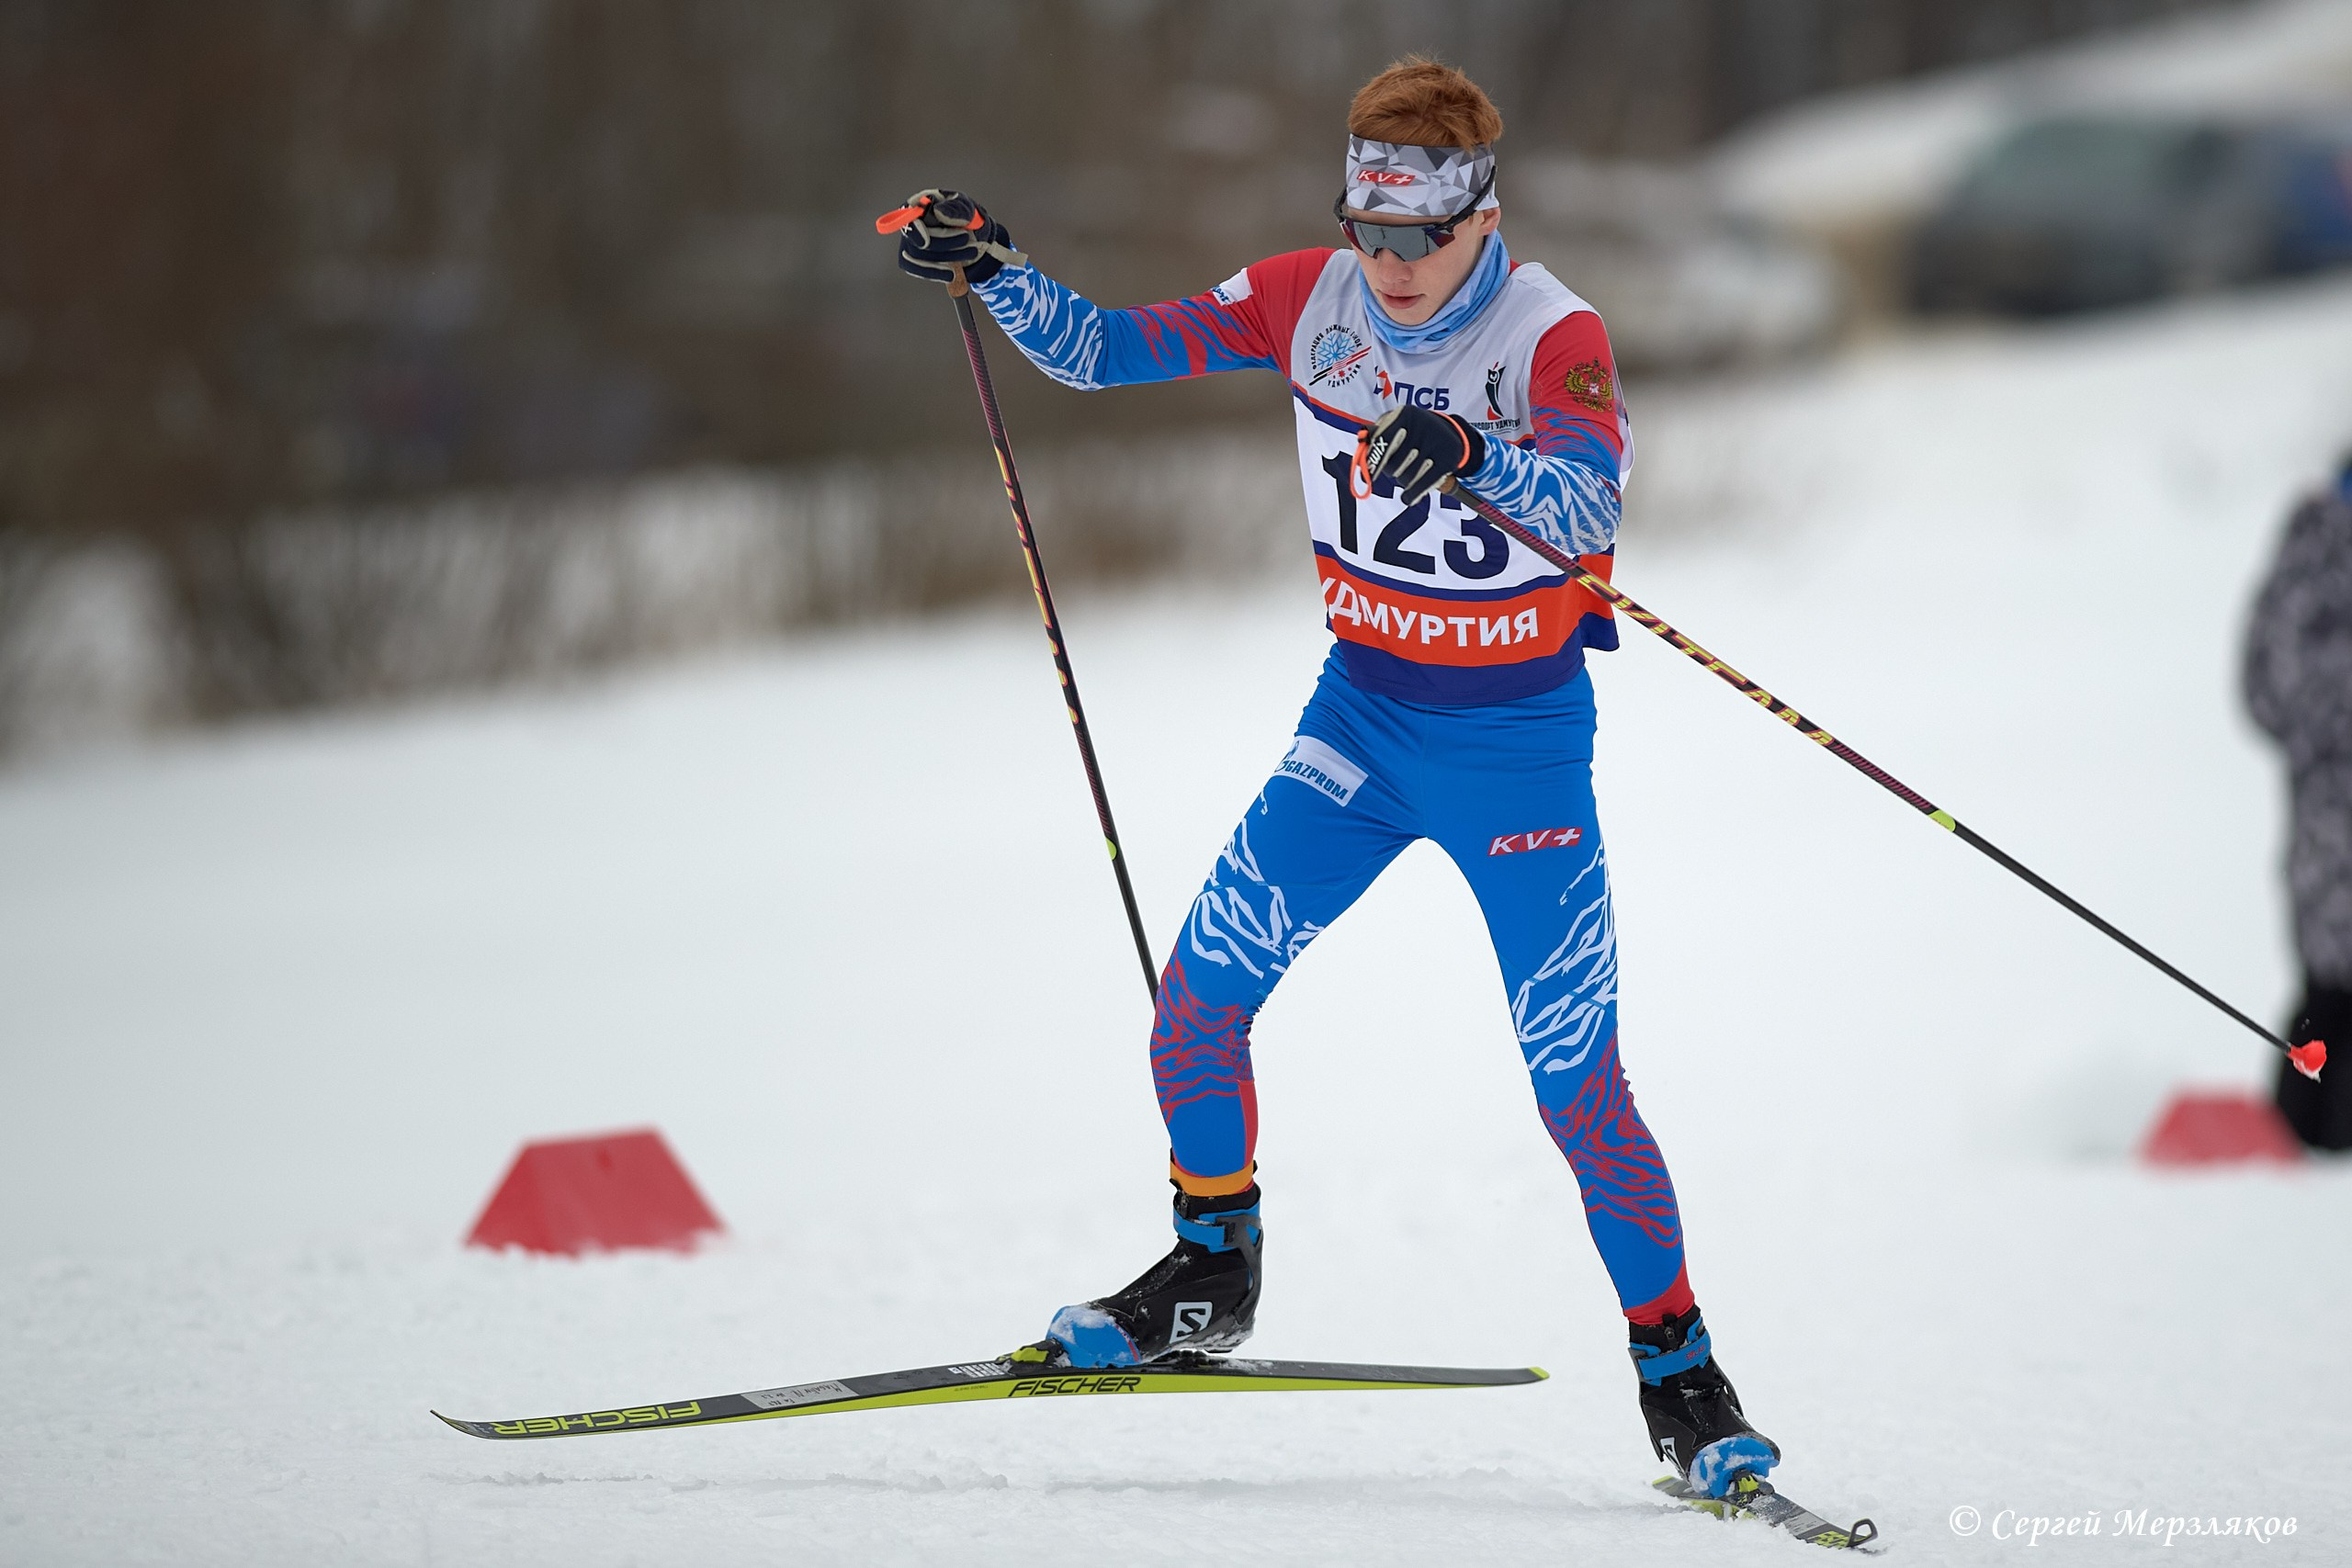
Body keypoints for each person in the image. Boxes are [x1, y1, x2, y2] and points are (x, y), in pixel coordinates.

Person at [888, 58, 1777, 1496]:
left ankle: (1683, 1371)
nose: (1393, 266)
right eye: (1371, 233)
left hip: (1515, 751)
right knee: (1198, 998)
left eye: (1420, 239)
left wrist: (1476, 446)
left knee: (1576, 1080)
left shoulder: (1557, 332)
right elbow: (1108, 350)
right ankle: (1210, 1270)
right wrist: (997, 272)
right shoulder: (1311, 297)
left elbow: (1591, 498)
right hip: (1361, 721)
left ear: (1480, 215)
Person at [2245, 452, 2352, 1151]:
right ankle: (2297, 1161)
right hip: (2332, 827)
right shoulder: (2318, 544)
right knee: (2332, 997)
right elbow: (2267, 684)